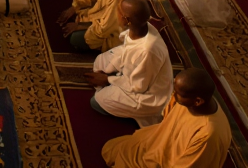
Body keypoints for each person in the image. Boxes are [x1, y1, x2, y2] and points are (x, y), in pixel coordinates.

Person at [99, 68, 232, 168]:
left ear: (197, 101)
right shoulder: (195, 102)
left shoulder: (208, 133)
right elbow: (168, 121)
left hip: (172, 163)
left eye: (178, 93)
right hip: (159, 144)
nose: (173, 93)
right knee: (112, 149)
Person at [85, 0, 172, 126]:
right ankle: (114, 82)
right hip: (135, 75)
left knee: (97, 101)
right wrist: (109, 71)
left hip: (148, 95)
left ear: (127, 20)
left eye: (119, 11)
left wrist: (107, 79)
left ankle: (132, 109)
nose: (116, 13)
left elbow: (138, 86)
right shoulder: (141, 28)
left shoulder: (148, 51)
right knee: (101, 60)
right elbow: (127, 50)